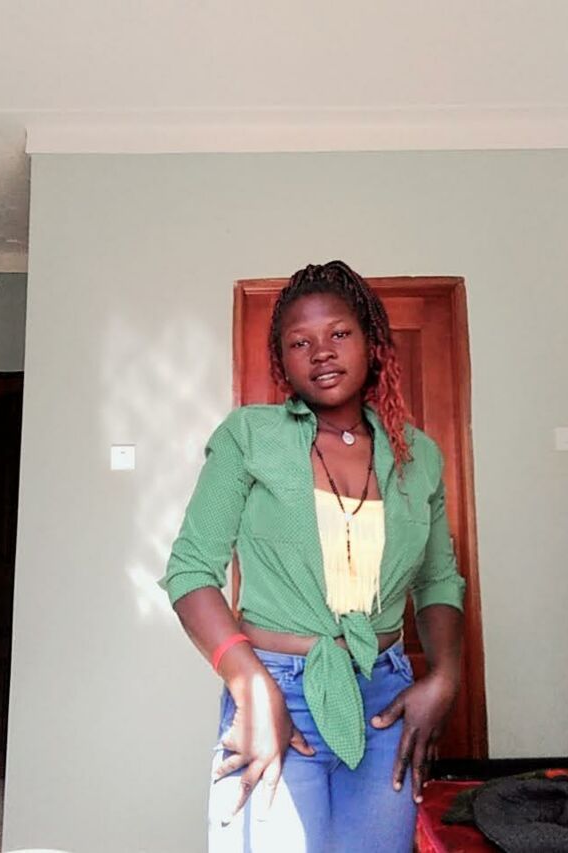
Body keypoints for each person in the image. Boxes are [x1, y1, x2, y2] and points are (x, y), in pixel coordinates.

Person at [158, 260, 466, 853]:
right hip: (275, 693)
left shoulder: (419, 456)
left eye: (339, 334)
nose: (321, 352)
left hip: (383, 699)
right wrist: (251, 686)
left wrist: (445, 676)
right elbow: (190, 572)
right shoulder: (250, 437)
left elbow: (437, 579)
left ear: (372, 343)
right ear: (283, 361)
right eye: (300, 342)